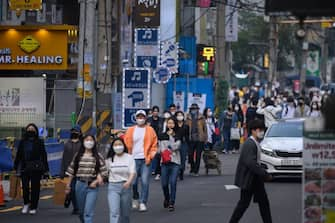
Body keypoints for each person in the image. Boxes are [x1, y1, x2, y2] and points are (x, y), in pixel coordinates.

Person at [229, 119, 273, 223]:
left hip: (254, 178)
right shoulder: (250, 144)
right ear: (253, 131)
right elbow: (250, 163)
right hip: (249, 178)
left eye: (262, 129)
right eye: (259, 129)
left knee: (262, 203)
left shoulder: (255, 143)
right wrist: (264, 173)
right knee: (244, 204)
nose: (261, 132)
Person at [65, 134, 108, 223]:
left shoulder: (98, 156)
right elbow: (71, 171)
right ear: (83, 142)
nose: (89, 142)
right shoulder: (78, 155)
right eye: (87, 140)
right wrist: (68, 185)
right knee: (81, 212)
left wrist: (96, 181)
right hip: (79, 184)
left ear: (94, 142)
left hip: (92, 187)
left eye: (91, 140)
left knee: (88, 213)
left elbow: (104, 172)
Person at [123, 110, 158, 212]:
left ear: (145, 118)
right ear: (136, 118)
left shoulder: (150, 130)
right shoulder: (130, 130)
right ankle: (135, 197)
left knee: (144, 181)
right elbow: (125, 142)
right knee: (133, 182)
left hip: (145, 159)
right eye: (139, 117)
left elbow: (154, 144)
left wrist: (151, 155)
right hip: (133, 159)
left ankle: (143, 202)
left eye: (142, 117)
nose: (140, 119)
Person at [14, 123, 49, 215]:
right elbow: (18, 155)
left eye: (32, 129)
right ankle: (26, 203)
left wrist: (46, 169)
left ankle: (33, 206)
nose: (30, 130)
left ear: (36, 131)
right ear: (26, 131)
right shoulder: (22, 142)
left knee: (35, 188)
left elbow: (44, 155)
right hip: (24, 167)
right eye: (29, 129)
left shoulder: (39, 142)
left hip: (36, 167)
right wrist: (15, 166)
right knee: (25, 187)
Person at [106, 138, 136, 223]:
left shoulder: (129, 157)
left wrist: (129, 182)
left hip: (126, 187)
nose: (118, 146)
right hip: (113, 187)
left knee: (125, 214)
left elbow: (132, 172)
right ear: (112, 147)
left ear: (123, 145)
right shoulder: (109, 159)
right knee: (114, 212)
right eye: (115, 145)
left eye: (120, 144)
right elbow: (104, 171)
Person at [158, 118, 181, 211]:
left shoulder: (177, 135)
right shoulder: (162, 135)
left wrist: (171, 138)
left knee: (173, 182)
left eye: (172, 123)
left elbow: (176, 146)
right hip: (164, 162)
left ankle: (172, 202)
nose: (170, 125)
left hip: (175, 161)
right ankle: (167, 198)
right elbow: (159, 148)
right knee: (164, 183)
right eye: (169, 123)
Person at [60, 125, 82, 215]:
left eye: (76, 131)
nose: (74, 133)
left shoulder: (82, 144)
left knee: (79, 190)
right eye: (73, 131)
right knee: (72, 189)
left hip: (80, 171)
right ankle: (76, 208)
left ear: (80, 133)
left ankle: (77, 205)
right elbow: (64, 158)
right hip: (70, 172)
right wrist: (62, 171)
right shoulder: (67, 144)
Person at [186, 103, 207, 176]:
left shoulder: (202, 117)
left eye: (195, 109)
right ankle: (192, 167)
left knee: (198, 156)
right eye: (192, 109)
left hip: (200, 138)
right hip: (191, 138)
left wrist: (205, 138)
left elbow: (205, 128)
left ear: (197, 109)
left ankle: (196, 171)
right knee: (190, 155)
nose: (194, 110)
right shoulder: (187, 117)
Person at [146, 106, 163, 179]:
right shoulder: (149, 120)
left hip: (159, 139)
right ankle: (153, 169)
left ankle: (157, 171)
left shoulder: (161, 120)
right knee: (152, 155)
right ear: (152, 112)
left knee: (158, 155)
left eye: (157, 111)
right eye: (154, 111)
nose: (155, 112)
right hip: (151, 139)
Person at [175, 111, 189, 180]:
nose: (179, 117)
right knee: (176, 159)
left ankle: (181, 172)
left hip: (183, 143)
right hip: (175, 143)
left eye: (181, 115)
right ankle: (176, 172)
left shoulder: (186, 126)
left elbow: (187, 136)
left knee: (183, 159)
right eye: (178, 115)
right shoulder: (174, 125)